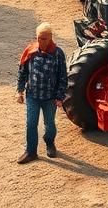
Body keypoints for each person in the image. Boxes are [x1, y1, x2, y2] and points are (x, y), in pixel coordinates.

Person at [15, 23, 68, 164]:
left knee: (49, 124)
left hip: (50, 98)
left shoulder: (58, 54)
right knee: (31, 123)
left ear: (50, 38)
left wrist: (59, 97)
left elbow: (63, 77)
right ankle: (31, 152)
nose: (41, 41)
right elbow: (23, 71)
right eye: (39, 38)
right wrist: (19, 91)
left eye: (44, 39)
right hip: (32, 95)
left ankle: (49, 141)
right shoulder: (30, 51)